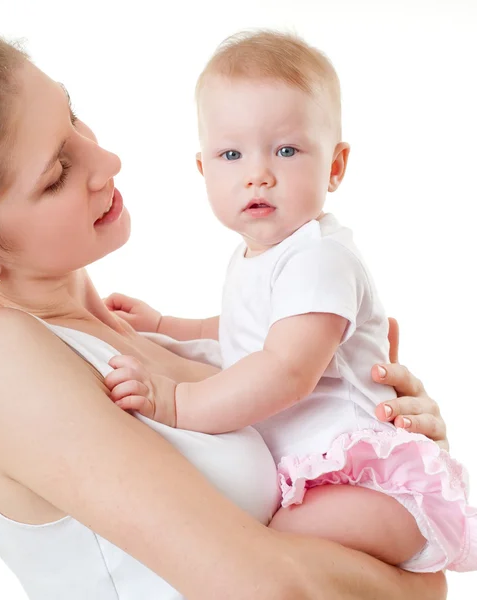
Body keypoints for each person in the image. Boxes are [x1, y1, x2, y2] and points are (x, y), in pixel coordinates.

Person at [0, 28, 448, 599]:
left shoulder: (136, 335)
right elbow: (274, 590)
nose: (108, 160)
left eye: (74, 118)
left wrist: (389, 442)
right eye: (56, 174)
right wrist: (419, 583)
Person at [105, 31, 477, 574]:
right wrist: (167, 324)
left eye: (286, 150)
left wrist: (179, 403)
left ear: (336, 166)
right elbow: (241, 331)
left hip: (371, 484)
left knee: (266, 553)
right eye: (231, 154)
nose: (258, 172)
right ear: (204, 170)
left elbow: (286, 369)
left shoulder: (319, 259)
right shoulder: (257, 256)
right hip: (322, 483)